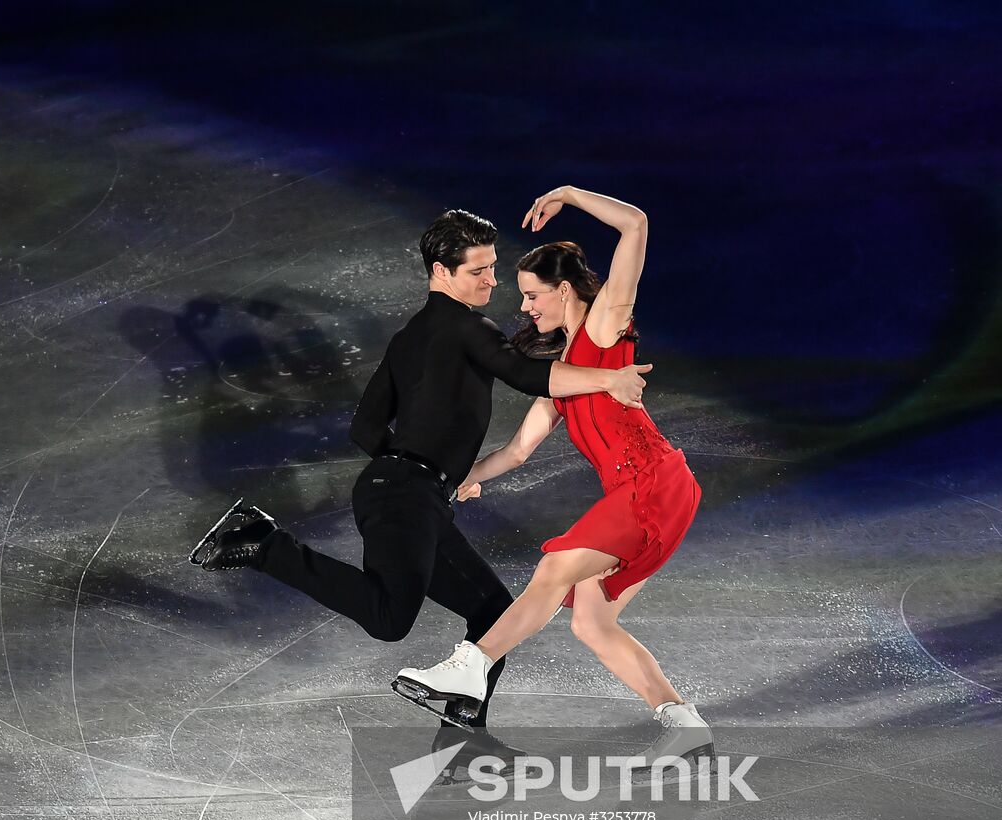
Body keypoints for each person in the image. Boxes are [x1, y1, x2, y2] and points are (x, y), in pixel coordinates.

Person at [190, 208, 653, 730]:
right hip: (407, 494)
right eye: (477, 271)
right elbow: (526, 374)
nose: (491, 280)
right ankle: (264, 543)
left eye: (491, 267)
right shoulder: (467, 326)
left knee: (494, 611)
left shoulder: (410, 337)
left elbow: (365, 429)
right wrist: (606, 380)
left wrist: (428, 471)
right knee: (390, 619)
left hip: (413, 493)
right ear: (441, 272)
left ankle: (464, 710)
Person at [394, 187, 711, 764]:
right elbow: (516, 451)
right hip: (650, 493)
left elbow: (635, 226)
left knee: (553, 568)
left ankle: (471, 666)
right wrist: (460, 478)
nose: (524, 308)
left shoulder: (606, 327)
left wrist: (568, 194)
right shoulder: (560, 375)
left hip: (653, 482)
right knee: (592, 623)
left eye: (533, 295)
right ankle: (684, 724)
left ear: (563, 289)